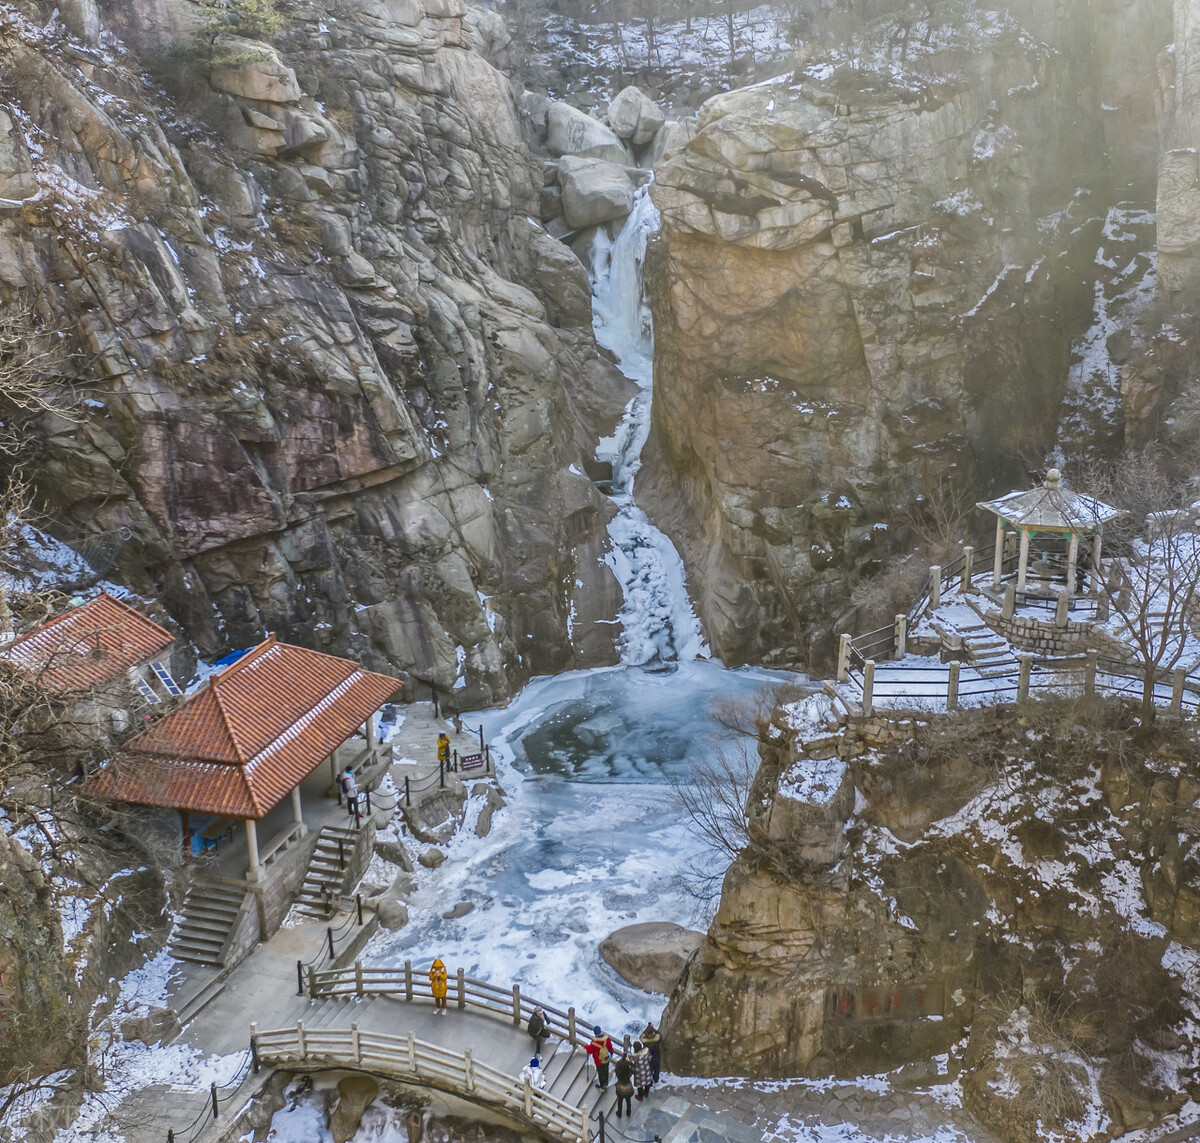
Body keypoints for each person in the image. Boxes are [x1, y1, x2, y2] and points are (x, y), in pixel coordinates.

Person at [585, 1025, 614, 1092]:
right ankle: (606, 1083)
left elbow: (590, 1051)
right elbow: (611, 1049)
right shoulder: (607, 1039)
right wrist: (610, 1056)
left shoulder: (594, 1042)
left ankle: (602, 1087)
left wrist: (586, 1046)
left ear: (595, 1033)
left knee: (600, 1073)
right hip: (606, 1058)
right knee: (606, 1069)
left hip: (599, 1060)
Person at [613, 1051, 635, 1118]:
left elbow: (616, 1071)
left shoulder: (619, 1072)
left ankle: (619, 1113)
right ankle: (628, 1112)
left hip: (620, 1087)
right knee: (628, 1101)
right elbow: (634, 1070)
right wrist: (629, 1062)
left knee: (620, 1101)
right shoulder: (628, 1071)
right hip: (628, 1086)